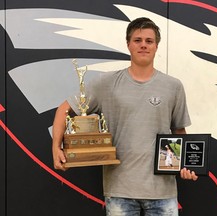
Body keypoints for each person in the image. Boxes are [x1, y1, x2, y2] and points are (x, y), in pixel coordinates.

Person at [52, 17, 198, 216]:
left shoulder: (173, 86)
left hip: (163, 192)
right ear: (128, 44)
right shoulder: (106, 83)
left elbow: (179, 131)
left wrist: (187, 163)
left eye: (149, 41)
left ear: (156, 46)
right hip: (120, 191)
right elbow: (64, 109)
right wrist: (56, 147)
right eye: (137, 40)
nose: (143, 45)